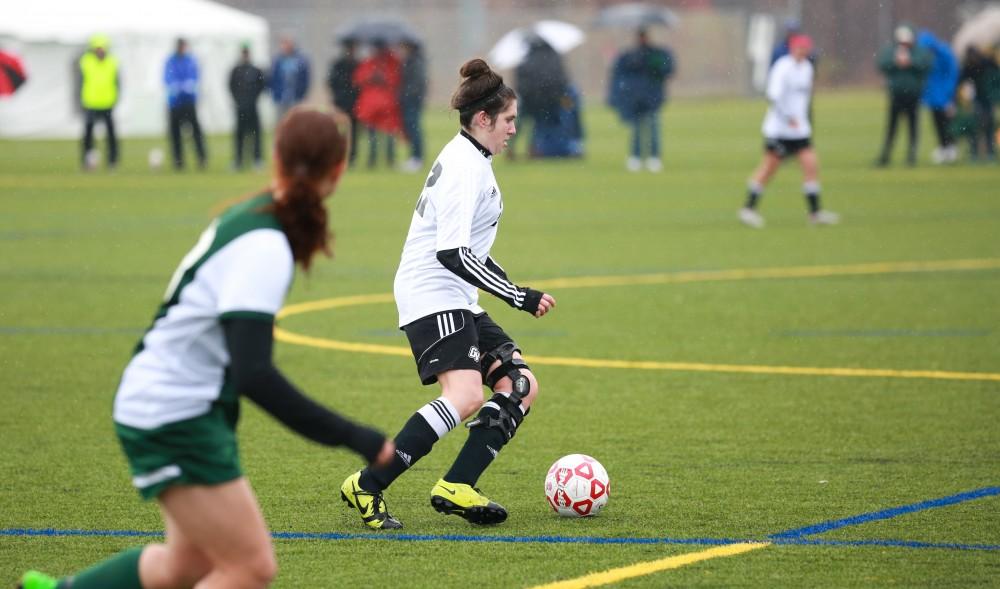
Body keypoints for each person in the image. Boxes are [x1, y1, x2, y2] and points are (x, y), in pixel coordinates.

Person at [18, 107, 394, 589]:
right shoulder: (265, 243)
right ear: (339, 171)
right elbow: (253, 374)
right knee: (251, 568)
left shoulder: (257, 216)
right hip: (172, 411)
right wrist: (355, 435)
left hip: (167, 402)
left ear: (275, 157)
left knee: (187, 565)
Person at [340, 58, 556, 530]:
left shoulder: (474, 159)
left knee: (520, 386)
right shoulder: (464, 168)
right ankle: (369, 483)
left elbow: (471, 252)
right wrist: (515, 297)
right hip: (432, 293)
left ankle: (457, 483)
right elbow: (452, 254)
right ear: (483, 119)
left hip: (457, 295)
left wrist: (516, 289)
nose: (513, 130)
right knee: (464, 394)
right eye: (508, 120)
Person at [739, 35, 838, 229]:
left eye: (805, 48)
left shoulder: (807, 68)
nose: (802, 51)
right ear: (792, 49)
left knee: (811, 166)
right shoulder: (782, 67)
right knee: (769, 168)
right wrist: (787, 118)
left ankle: (815, 213)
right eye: (799, 48)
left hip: (800, 130)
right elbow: (773, 97)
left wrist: (803, 122)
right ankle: (748, 209)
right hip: (779, 129)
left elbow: (804, 101)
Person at [608, 28, 675, 172]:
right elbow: (620, 74)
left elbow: (666, 70)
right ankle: (636, 157)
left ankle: (654, 157)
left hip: (652, 96)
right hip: (636, 97)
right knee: (637, 128)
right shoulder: (629, 55)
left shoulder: (656, 54)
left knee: (653, 126)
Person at [875, 25, 932, 167]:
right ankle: (886, 156)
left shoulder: (919, 51)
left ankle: (911, 157)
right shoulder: (892, 50)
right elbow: (882, 64)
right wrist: (896, 62)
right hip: (897, 95)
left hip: (913, 95)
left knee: (913, 126)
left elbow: (926, 65)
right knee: (892, 127)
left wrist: (911, 63)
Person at [353, 39, 402, 169]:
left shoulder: (386, 62)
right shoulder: (384, 62)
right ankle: (382, 160)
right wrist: (374, 77)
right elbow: (359, 79)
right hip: (382, 103)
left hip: (378, 104)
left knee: (380, 134)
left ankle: (378, 160)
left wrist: (379, 78)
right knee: (380, 133)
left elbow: (358, 79)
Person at [77, 34, 119, 170]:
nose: (100, 51)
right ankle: (88, 161)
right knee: (88, 135)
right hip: (91, 102)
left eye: (102, 48)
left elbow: (117, 82)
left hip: (108, 102)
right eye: (98, 48)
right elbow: (80, 82)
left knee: (111, 134)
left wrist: (116, 98)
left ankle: (112, 162)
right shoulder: (86, 61)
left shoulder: (112, 62)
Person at [917, 30, 959, 164]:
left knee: (947, 124)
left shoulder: (945, 53)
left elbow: (952, 75)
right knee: (937, 124)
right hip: (934, 98)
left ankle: (951, 148)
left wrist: (949, 96)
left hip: (946, 97)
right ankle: (943, 148)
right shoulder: (928, 57)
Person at [164, 38, 207, 170]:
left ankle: (201, 158)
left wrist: (190, 85)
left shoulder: (190, 60)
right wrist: (175, 86)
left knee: (196, 132)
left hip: (188, 102)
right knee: (175, 133)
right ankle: (178, 161)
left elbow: (195, 76)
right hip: (175, 103)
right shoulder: (171, 61)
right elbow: (167, 77)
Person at [229, 44, 267, 171]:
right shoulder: (236, 70)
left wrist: (253, 99)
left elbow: (261, 86)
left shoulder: (255, 70)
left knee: (255, 134)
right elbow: (231, 86)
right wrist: (238, 100)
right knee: (239, 134)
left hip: (252, 107)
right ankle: (238, 160)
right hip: (240, 108)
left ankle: (257, 159)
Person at [959, 46, 999, 162]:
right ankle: (974, 152)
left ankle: (990, 152)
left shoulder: (987, 62)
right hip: (977, 99)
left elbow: (996, 77)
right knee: (975, 125)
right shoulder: (968, 66)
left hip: (988, 98)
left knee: (989, 125)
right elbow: (962, 80)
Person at [327, 37, 361, 166]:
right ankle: (345, 156)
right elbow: (332, 83)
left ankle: (350, 157)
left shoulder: (341, 64)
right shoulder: (341, 64)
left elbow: (331, 82)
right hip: (344, 102)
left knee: (350, 132)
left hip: (350, 102)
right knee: (342, 131)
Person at [398, 39, 427, 172]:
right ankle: (415, 157)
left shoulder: (415, 62)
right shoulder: (412, 61)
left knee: (414, 128)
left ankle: (417, 158)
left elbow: (416, 84)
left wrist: (406, 94)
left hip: (412, 100)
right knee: (412, 128)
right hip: (411, 100)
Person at [270, 37, 310, 121]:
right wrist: (275, 93)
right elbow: (272, 78)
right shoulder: (277, 60)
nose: (286, 47)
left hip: (296, 97)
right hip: (281, 97)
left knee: (296, 121)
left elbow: (305, 79)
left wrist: (302, 93)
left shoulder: (300, 60)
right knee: (281, 121)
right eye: (284, 44)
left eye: (288, 44)